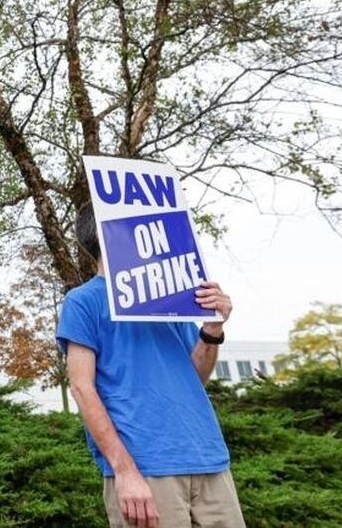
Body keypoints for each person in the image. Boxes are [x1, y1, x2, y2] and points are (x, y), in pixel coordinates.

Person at [57, 203, 246, 528]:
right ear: (110, 233)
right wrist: (125, 471)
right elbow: (81, 388)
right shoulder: (83, 300)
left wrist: (212, 330)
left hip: (209, 459)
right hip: (144, 469)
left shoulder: (175, 299)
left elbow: (194, 376)